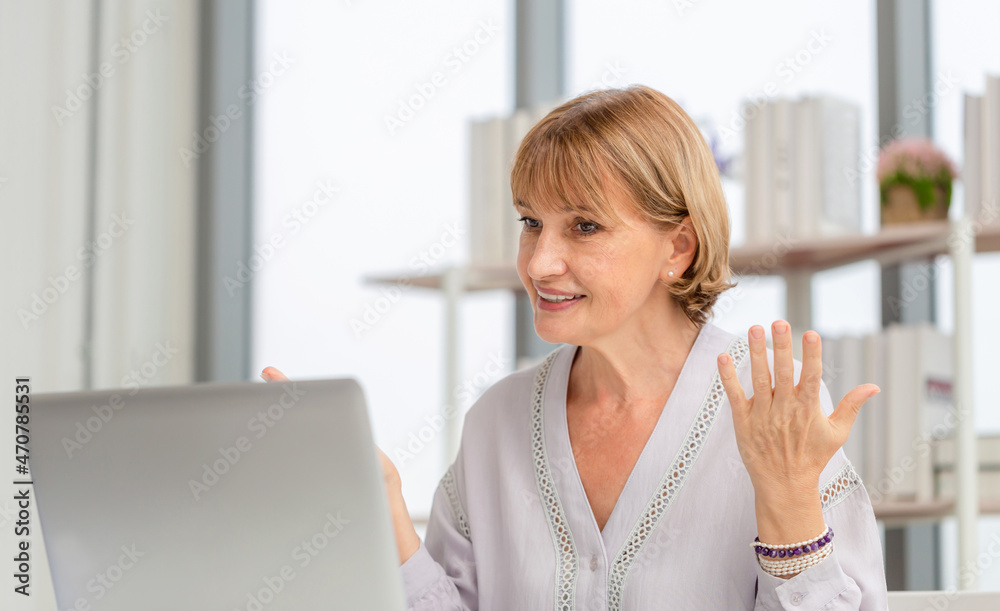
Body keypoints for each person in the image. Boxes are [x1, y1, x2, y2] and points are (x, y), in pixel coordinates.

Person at [263, 85, 888, 609]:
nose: (540, 261)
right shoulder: (498, 423)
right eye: (531, 221)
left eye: (584, 226)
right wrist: (384, 505)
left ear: (678, 248)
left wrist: (788, 501)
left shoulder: (769, 413)